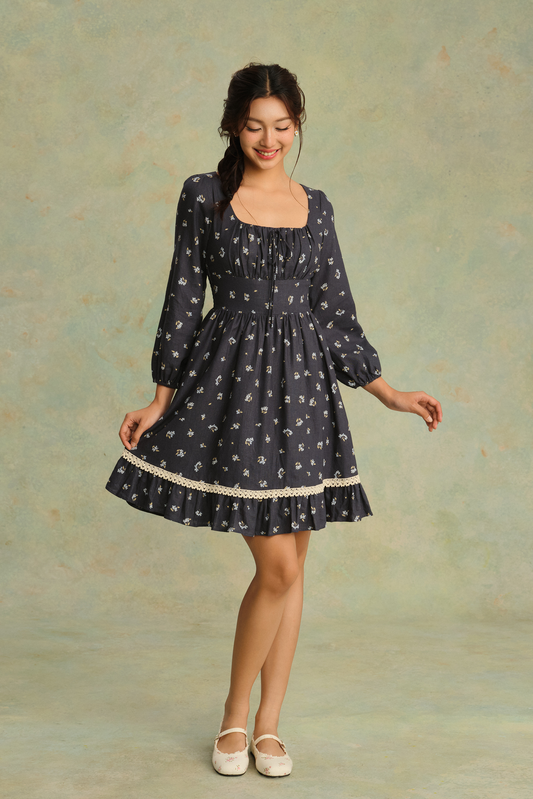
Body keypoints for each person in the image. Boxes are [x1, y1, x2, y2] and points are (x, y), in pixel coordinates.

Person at [105, 62, 442, 778]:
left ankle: (268, 727)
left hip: (305, 395)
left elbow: (334, 313)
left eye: (282, 126)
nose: (268, 139)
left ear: (297, 126)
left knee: (293, 569)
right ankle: (233, 716)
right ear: (233, 126)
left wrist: (387, 392)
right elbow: (182, 295)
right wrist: (160, 396)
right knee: (278, 566)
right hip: (231, 389)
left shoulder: (315, 206)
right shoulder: (205, 195)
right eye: (254, 126)